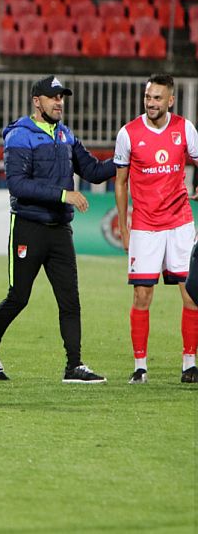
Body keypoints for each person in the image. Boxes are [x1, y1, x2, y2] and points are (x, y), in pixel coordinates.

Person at [0, 75, 115, 383]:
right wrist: (65, 194)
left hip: (59, 230)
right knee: (18, 297)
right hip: (29, 226)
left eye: (62, 97)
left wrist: (124, 157)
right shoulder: (20, 135)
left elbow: (92, 171)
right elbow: (18, 185)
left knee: (70, 300)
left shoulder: (65, 135)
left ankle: (73, 366)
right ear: (37, 101)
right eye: (53, 97)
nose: (59, 102)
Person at [114, 73, 198, 384]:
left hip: (179, 223)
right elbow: (121, 184)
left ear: (170, 100)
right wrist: (124, 227)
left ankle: (189, 364)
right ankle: (140, 367)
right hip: (146, 226)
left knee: (190, 294)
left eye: (157, 98)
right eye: (148, 97)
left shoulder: (185, 128)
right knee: (142, 296)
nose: (151, 103)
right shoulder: (129, 134)